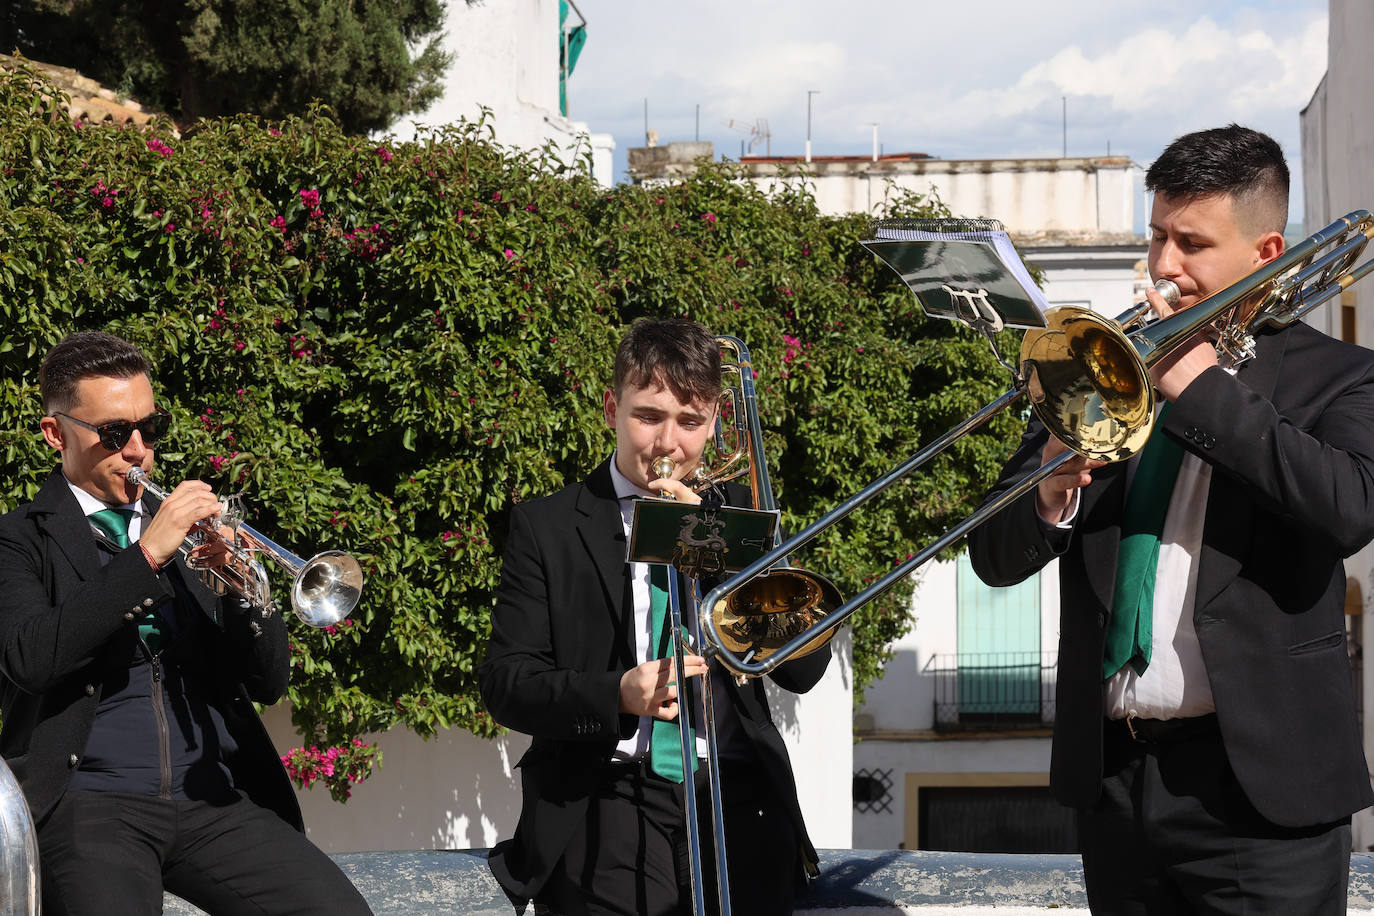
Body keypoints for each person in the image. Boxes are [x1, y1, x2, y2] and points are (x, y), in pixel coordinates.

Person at [968, 123, 1374, 914]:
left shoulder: (1341, 377)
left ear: (1266, 253)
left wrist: (1203, 391)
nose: (1163, 266)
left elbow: (1349, 509)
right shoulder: (1105, 363)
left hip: (1262, 800)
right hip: (1117, 784)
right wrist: (1049, 488)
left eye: (1193, 243)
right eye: (1157, 235)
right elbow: (992, 555)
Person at [0, 331, 373, 916]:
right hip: (88, 803)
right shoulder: (19, 538)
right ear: (56, 433)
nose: (138, 451)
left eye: (150, 428)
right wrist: (146, 556)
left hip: (209, 797)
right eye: (115, 434)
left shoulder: (187, 534)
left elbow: (268, 682)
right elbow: (30, 657)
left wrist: (240, 588)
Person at [480, 317, 830, 915]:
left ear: (713, 423)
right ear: (611, 408)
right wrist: (616, 693)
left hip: (736, 795)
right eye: (648, 416)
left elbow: (803, 670)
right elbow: (507, 684)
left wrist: (712, 549)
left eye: (690, 422)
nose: (668, 443)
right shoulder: (547, 527)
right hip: (608, 792)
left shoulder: (738, 519)